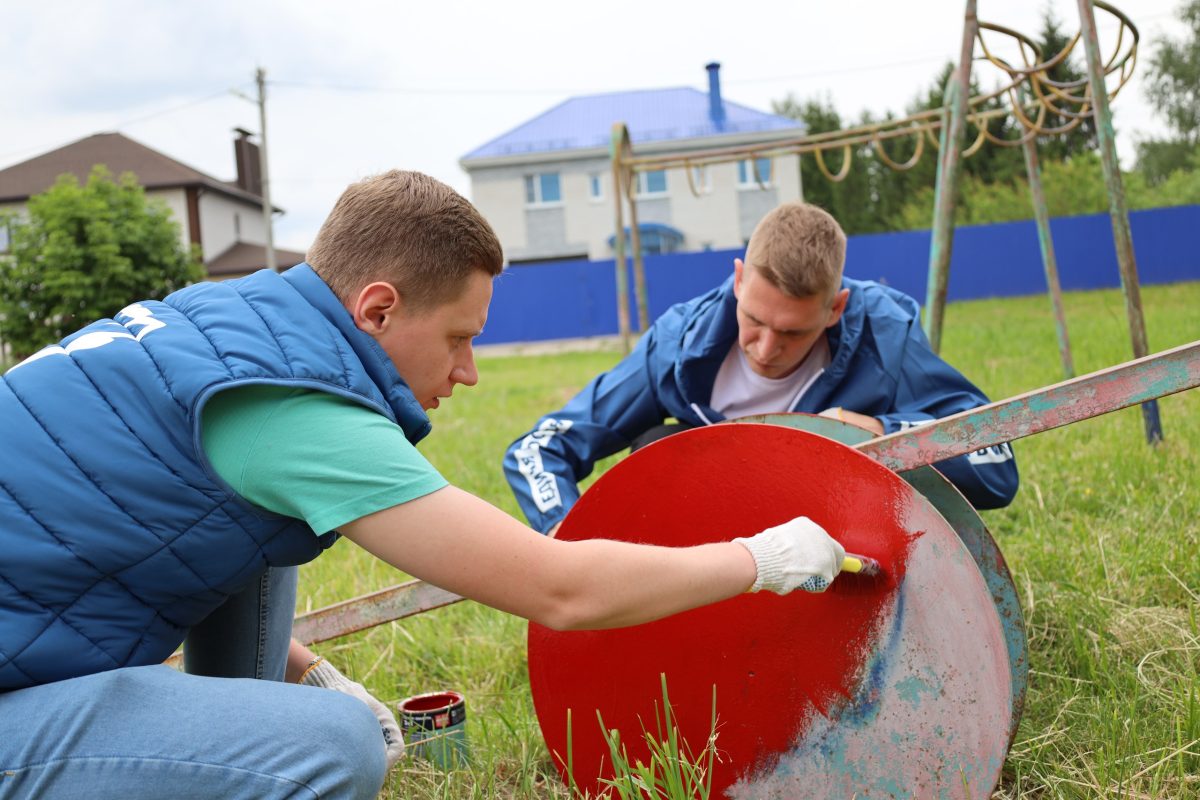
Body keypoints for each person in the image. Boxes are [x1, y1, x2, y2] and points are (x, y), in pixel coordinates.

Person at [0, 171, 848, 800]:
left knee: (263, 530)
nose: (469, 370)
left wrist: (304, 671)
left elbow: (201, 523)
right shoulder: (293, 409)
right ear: (375, 311)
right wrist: (759, 558)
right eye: (457, 338)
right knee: (334, 750)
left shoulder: (228, 321)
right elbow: (561, 589)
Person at [504, 201, 1018, 536]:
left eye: (793, 333)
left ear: (835, 308)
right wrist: (566, 542)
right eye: (753, 320)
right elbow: (539, 448)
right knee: (654, 449)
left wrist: (884, 433)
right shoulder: (680, 342)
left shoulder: (885, 334)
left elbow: (996, 466)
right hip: (715, 549)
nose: (767, 348)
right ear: (738, 280)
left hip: (838, 545)